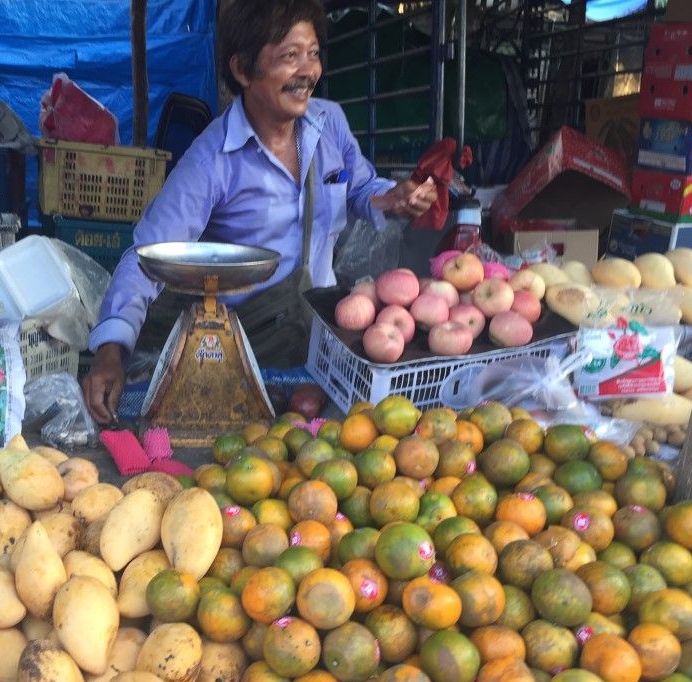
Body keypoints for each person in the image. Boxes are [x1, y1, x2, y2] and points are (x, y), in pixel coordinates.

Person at [82, 0, 437, 424]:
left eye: (313, 53)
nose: (308, 71)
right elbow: (147, 257)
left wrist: (394, 198)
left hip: (324, 340)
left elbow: (360, 187)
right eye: (290, 56)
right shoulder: (212, 160)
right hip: (249, 350)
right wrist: (110, 350)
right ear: (243, 70)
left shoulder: (330, 124)